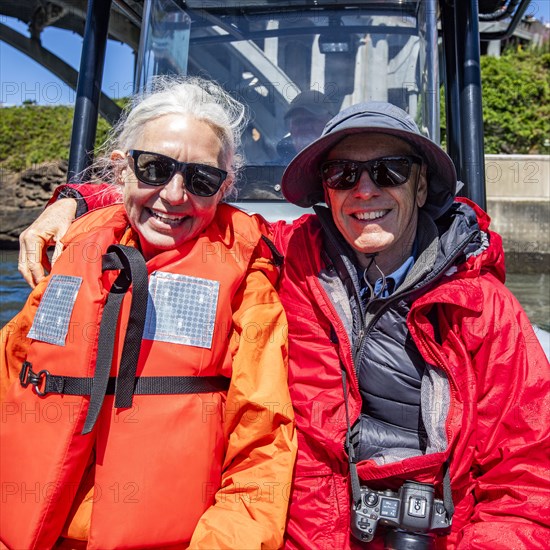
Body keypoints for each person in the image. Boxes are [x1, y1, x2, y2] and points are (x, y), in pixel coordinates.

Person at [16, 101, 550, 549]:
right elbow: (176, 200)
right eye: (344, 175)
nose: (364, 190)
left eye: (388, 171)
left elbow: (528, 481)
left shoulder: (483, 309)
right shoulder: (285, 254)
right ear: (326, 190)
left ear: (421, 185)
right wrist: (76, 199)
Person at [0, 76, 296, 550]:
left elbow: (263, 447)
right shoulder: (73, 249)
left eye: (201, 179)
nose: (175, 195)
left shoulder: (246, 281)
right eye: (154, 168)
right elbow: (13, 376)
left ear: (224, 189)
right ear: (121, 171)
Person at [276, 90, 336, 163]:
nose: (304, 127)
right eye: (298, 122)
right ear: (291, 129)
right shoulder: (272, 169)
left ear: (331, 125)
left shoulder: (346, 163)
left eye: (311, 120)